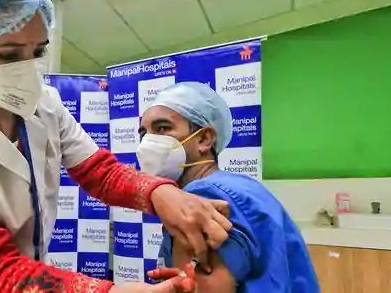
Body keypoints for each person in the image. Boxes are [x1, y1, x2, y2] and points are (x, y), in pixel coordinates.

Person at [0, 0, 232, 292]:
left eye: (39, 50)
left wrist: (162, 194)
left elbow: (99, 172)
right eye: (8, 55)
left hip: (30, 274)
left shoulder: (45, 104)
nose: (29, 70)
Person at [136, 82, 319, 292]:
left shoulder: (200, 200)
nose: (147, 142)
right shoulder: (241, 188)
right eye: (144, 133)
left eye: (162, 128)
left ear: (204, 139)